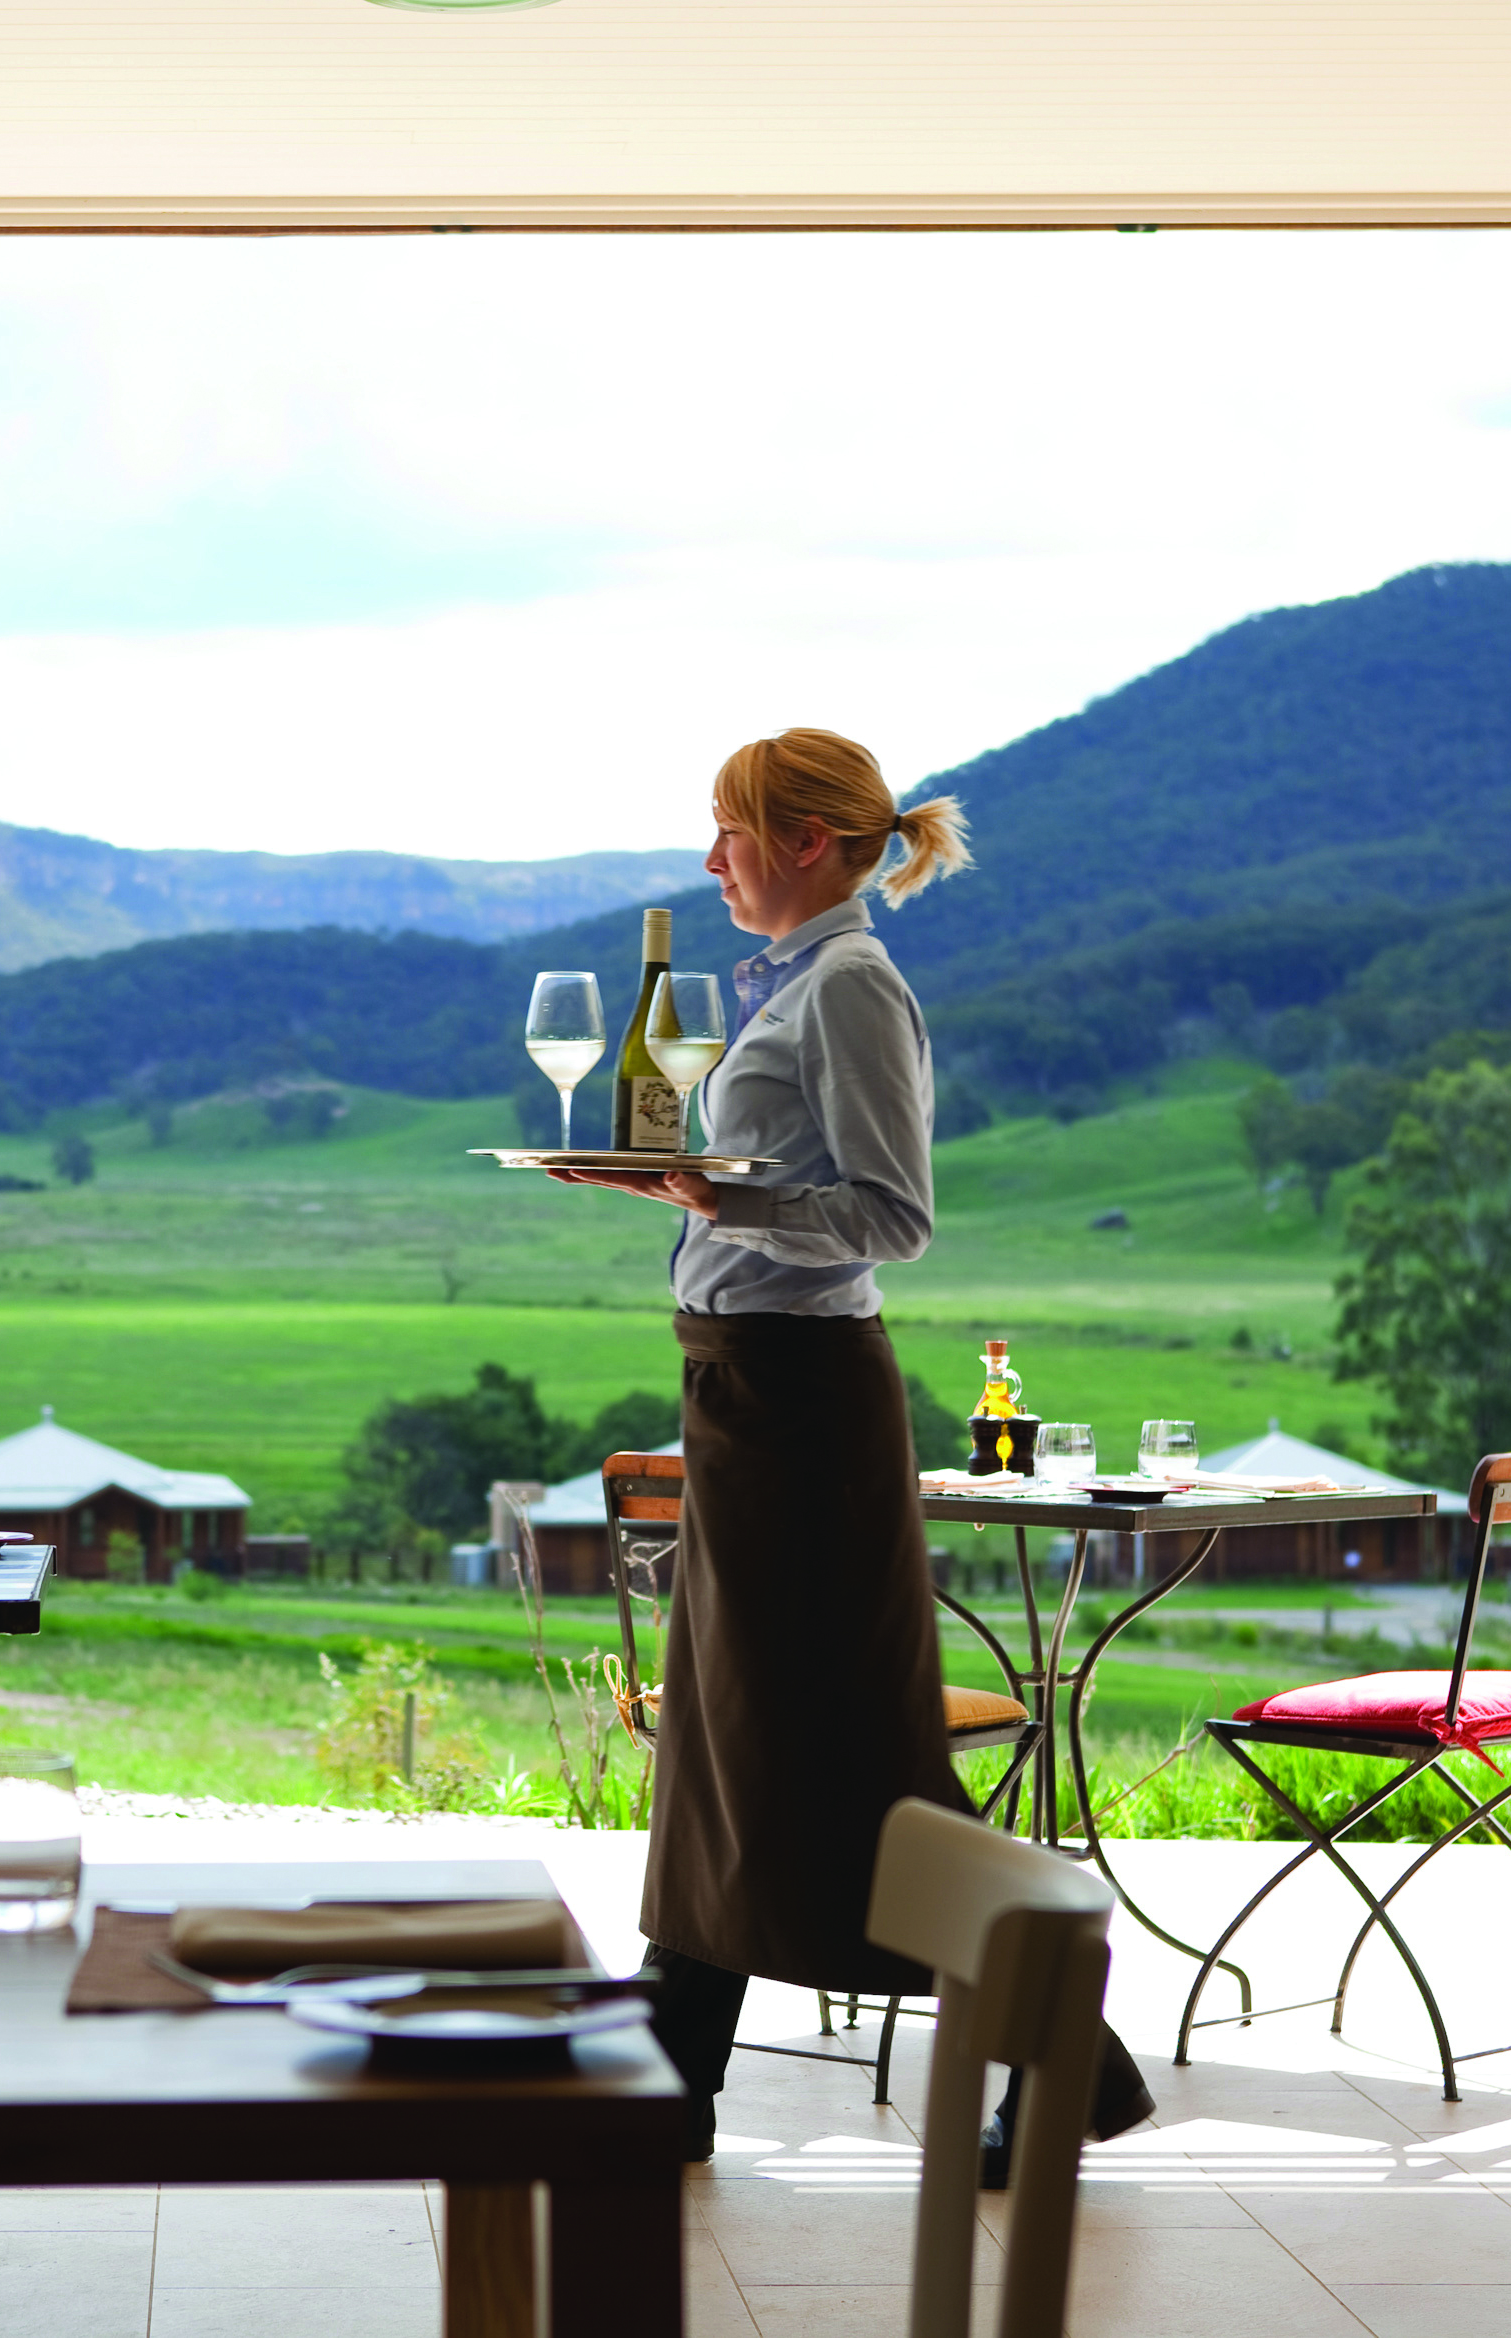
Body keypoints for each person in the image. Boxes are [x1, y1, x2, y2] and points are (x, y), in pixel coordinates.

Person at [552, 726, 1150, 2172]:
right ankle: (673, 2061)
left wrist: (712, 1194)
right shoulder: (794, 988)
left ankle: (1076, 2054)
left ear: (811, 842)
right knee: (723, 1737)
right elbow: (774, 1198)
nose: (711, 862)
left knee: (841, 1757)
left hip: (810, 1406)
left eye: (730, 831)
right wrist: (690, 1194)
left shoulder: (855, 988)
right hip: (747, 1394)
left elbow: (893, 1217)